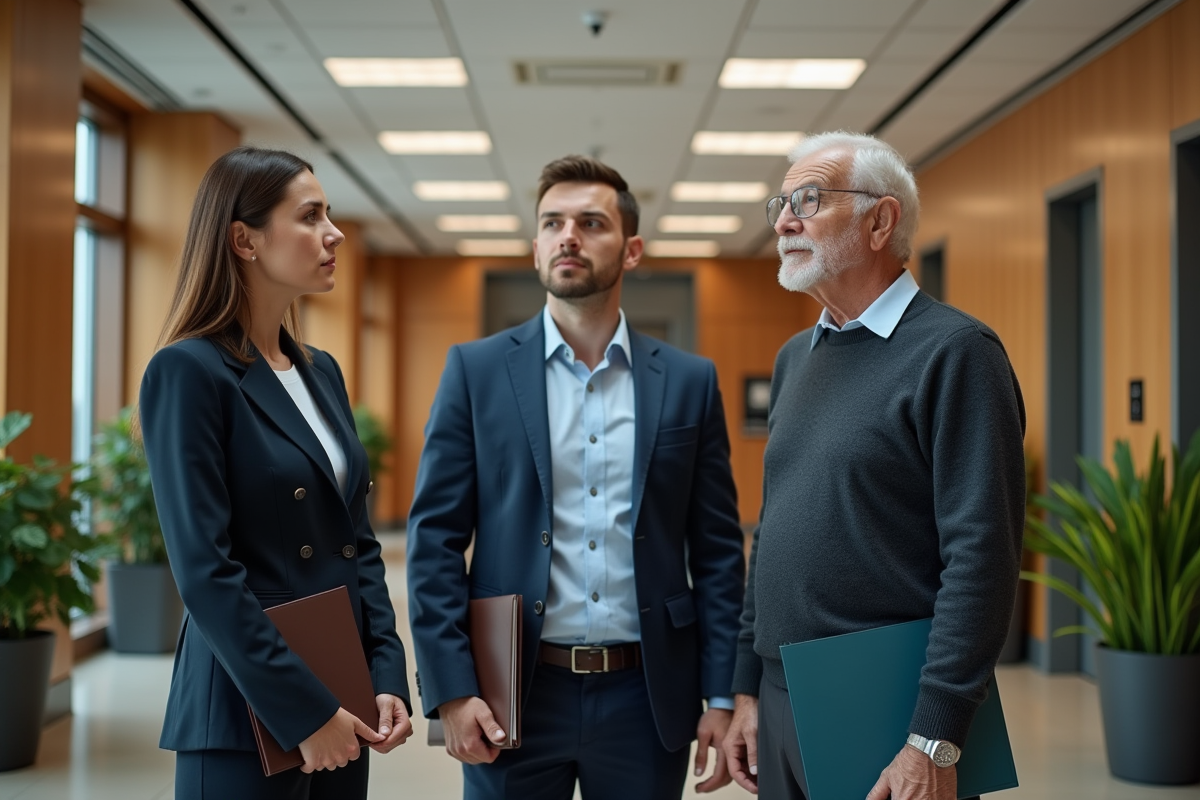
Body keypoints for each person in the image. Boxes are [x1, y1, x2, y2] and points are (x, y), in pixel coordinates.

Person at [406, 155, 746, 799]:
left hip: (646, 697)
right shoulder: (474, 373)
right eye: (553, 223)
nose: (569, 236)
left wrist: (722, 694)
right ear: (535, 246)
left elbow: (719, 552)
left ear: (632, 248)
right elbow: (434, 542)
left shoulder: (688, 381)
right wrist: (450, 689)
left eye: (591, 223)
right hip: (513, 690)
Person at [721, 131, 1026, 800]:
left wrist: (933, 737)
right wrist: (745, 685)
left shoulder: (958, 353)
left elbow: (982, 558)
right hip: (780, 691)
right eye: (782, 201)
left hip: (882, 698)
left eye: (809, 198)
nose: (783, 220)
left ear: (881, 220)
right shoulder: (796, 357)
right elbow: (770, 532)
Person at [139, 146, 413, 800]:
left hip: (344, 699)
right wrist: (303, 712)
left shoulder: (321, 372)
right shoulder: (189, 373)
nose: (334, 231)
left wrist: (385, 672)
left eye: (329, 213)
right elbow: (207, 573)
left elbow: (358, 544)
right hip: (246, 709)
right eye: (310, 215)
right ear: (244, 239)